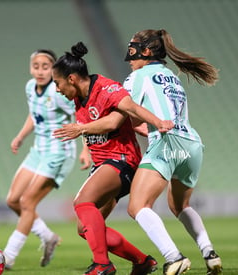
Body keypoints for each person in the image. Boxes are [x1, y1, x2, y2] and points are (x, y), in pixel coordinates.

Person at [52, 42, 174, 275]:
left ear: (71, 79)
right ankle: (142, 262)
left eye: (57, 83)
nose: (57, 89)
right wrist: (85, 147)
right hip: (103, 164)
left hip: (121, 160)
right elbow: (87, 127)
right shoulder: (79, 99)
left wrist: (157, 124)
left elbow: (114, 121)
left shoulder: (107, 88)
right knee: (85, 227)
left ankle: (102, 265)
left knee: (81, 204)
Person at [123, 29, 223, 275]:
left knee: (138, 206)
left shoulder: (138, 76)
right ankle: (209, 253)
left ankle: (174, 257)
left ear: (146, 51)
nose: (130, 56)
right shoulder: (170, 76)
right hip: (191, 144)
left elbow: (123, 108)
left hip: (167, 144)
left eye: (133, 49)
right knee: (179, 205)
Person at [3, 49, 91, 269]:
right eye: (36, 66)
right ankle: (47, 236)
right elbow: (35, 114)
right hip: (38, 150)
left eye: (45, 67)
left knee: (27, 202)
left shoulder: (58, 91)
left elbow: (81, 116)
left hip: (59, 151)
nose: (40, 71)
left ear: (53, 70)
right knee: (13, 200)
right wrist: (20, 137)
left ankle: (8, 256)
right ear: (30, 68)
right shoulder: (29, 88)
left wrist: (86, 150)